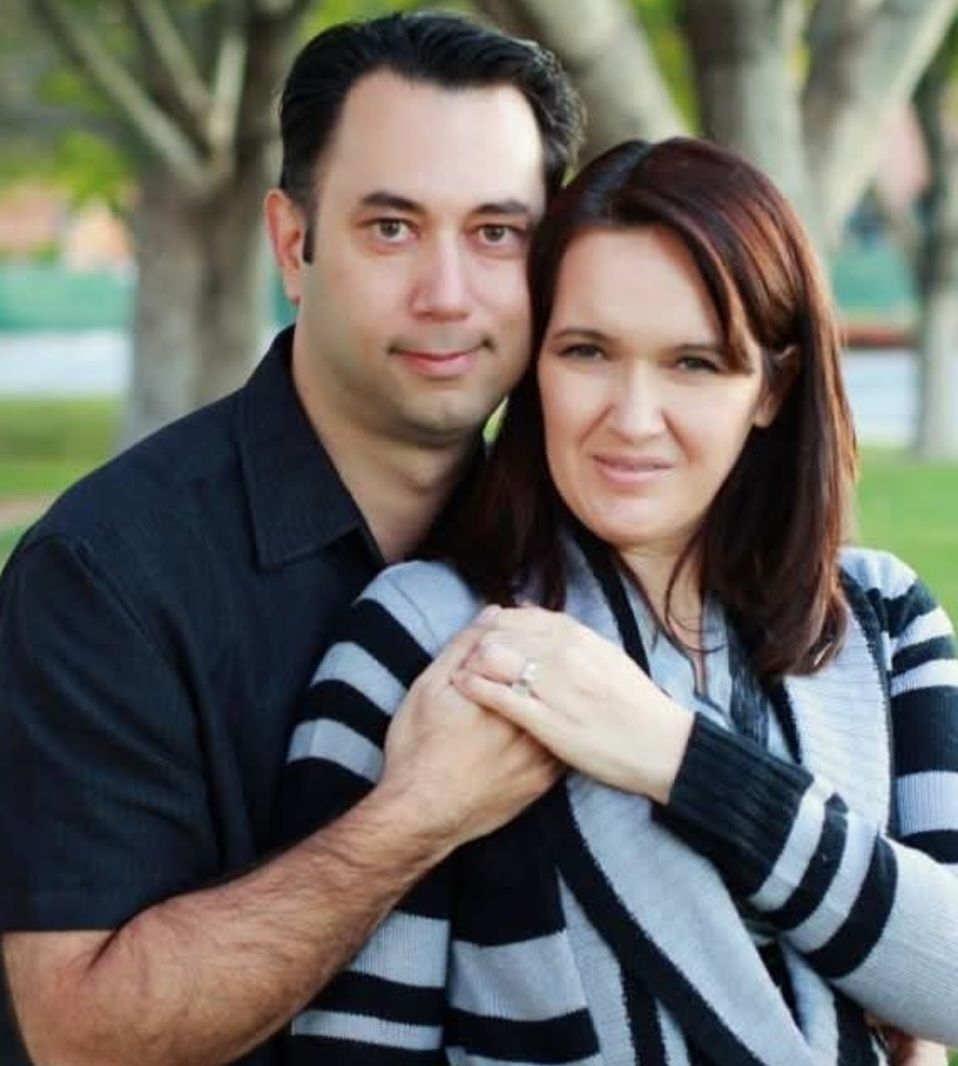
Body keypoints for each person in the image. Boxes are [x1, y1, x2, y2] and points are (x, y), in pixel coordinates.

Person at [278, 138, 958, 1064]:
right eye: (588, 351)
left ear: (773, 388)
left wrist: (677, 757)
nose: (632, 419)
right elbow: (358, 1046)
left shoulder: (880, 620)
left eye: (695, 364)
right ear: (534, 365)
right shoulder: (422, 637)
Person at [0, 13, 583, 1066]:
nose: (447, 294)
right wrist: (415, 815)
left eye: (497, 233)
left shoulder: (586, 543)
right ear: (292, 244)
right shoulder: (106, 575)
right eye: (391, 228)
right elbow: (79, 1033)